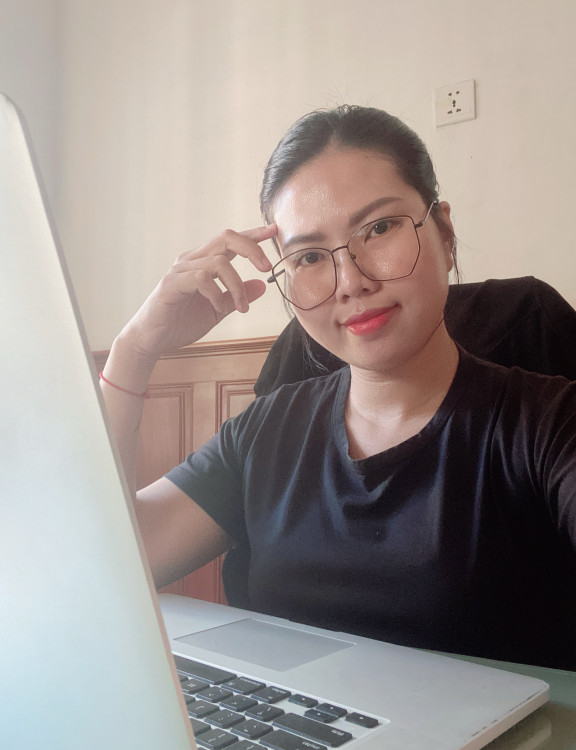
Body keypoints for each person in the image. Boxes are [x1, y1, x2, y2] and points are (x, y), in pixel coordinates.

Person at [101, 105, 576, 670]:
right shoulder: (267, 431)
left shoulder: (548, 425)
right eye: (307, 257)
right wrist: (135, 349)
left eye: (379, 228)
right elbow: (116, 557)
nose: (351, 281)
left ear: (445, 233)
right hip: (287, 725)